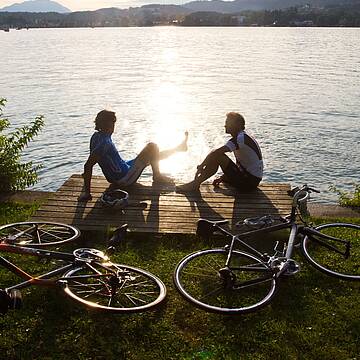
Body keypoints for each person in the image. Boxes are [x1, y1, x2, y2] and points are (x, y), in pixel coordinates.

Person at [78, 110, 188, 201]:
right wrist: (86, 193)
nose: (114, 124)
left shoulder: (96, 137)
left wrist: (86, 177)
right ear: (108, 124)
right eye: (113, 122)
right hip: (124, 178)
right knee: (152, 146)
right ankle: (157, 176)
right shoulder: (105, 143)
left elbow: (91, 163)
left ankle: (179, 148)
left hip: (122, 170)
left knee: (152, 156)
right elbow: (88, 166)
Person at [176, 112, 263, 192]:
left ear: (237, 125)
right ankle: (195, 183)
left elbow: (215, 153)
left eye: (228, 123)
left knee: (218, 156)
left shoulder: (240, 139)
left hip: (248, 182)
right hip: (251, 180)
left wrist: (201, 166)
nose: (225, 126)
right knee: (217, 155)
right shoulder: (243, 137)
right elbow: (243, 163)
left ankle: (194, 184)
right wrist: (223, 177)